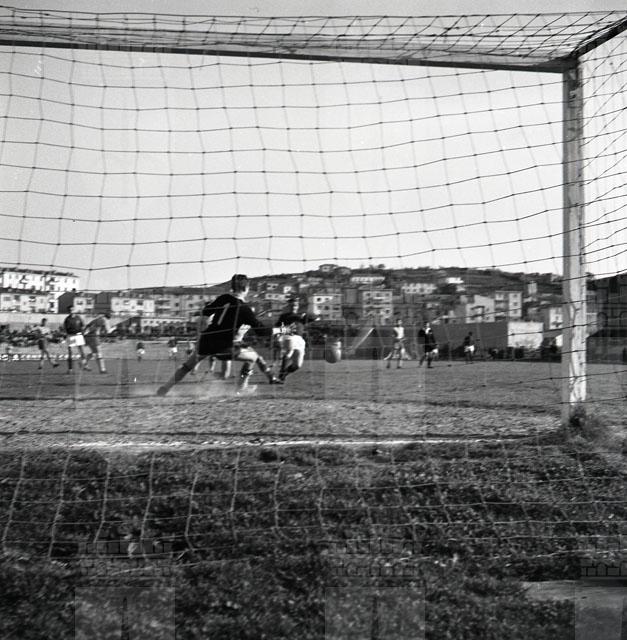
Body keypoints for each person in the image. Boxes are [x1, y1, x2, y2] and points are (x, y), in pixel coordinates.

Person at [156, 274, 281, 396]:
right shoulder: (244, 309)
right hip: (224, 345)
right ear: (246, 288)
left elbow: (205, 312)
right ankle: (241, 388)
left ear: (232, 287)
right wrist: (282, 330)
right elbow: (262, 332)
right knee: (253, 358)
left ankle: (165, 388)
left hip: (206, 339)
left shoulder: (223, 298)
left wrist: (208, 325)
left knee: (187, 366)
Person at [274, 298, 318, 383]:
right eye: (292, 305)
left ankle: (283, 374)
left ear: (298, 306)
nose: (293, 307)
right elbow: (277, 326)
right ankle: (281, 374)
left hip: (299, 339)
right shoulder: (284, 316)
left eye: (295, 305)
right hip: (289, 336)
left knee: (297, 365)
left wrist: (307, 314)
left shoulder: (301, 316)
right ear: (288, 306)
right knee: (289, 351)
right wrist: (278, 335)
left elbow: (315, 317)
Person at [63, 305, 88, 372]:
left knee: (82, 351)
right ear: (68, 311)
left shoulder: (79, 318)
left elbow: (83, 326)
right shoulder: (67, 319)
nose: (71, 311)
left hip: (78, 335)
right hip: (70, 336)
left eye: (72, 310)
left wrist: (83, 331)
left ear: (74, 310)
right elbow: (65, 328)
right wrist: (65, 335)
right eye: (70, 310)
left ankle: (85, 365)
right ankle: (70, 368)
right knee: (70, 353)